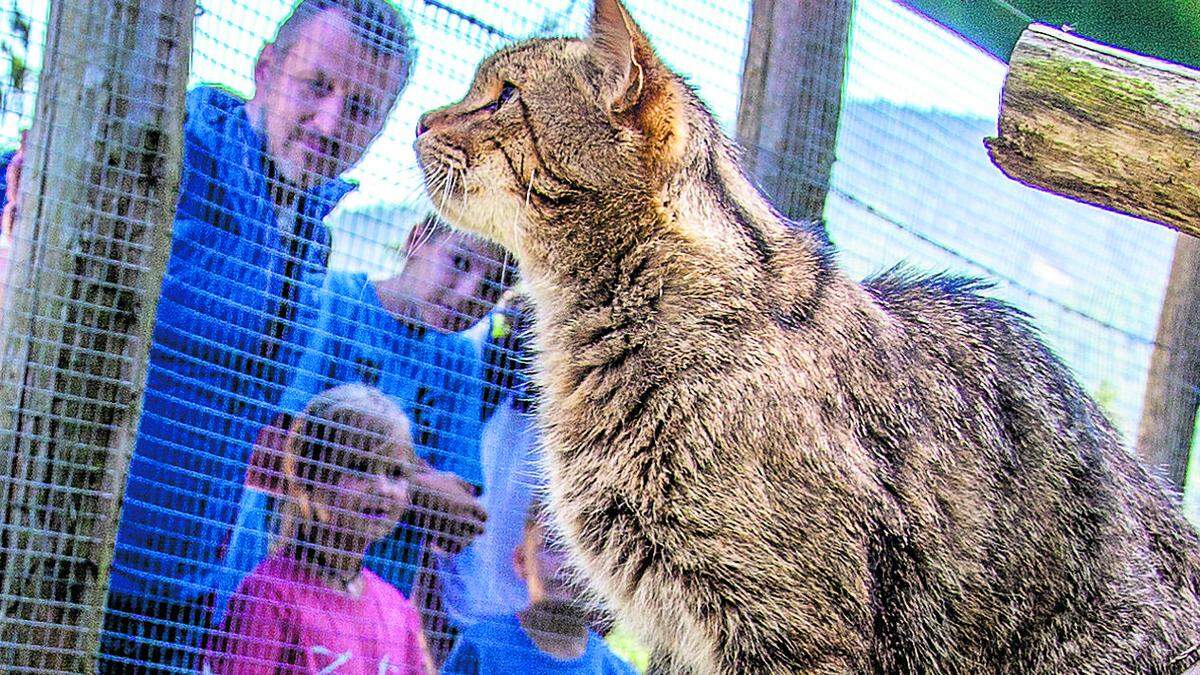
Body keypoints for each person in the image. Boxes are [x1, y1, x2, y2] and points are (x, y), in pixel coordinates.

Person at [99, 2, 415, 671]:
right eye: (317, 86)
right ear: (266, 66)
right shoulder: (168, 157)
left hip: (181, 590)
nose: (331, 123)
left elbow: (254, 426)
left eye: (360, 108)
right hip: (73, 548)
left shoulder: (311, 236)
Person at [211, 214, 515, 633]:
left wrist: (345, 463)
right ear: (417, 238)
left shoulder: (461, 358)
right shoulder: (333, 300)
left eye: (491, 287)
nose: (468, 296)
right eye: (460, 263)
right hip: (276, 587)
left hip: (373, 619)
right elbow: (270, 454)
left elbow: (459, 522)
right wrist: (416, 480)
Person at [204, 383, 433, 674]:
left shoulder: (398, 611)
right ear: (309, 477)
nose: (382, 489)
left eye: (396, 473)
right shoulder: (270, 596)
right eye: (360, 468)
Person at [440, 499, 637, 675]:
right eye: (552, 545)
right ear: (521, 560)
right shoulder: (483, 646)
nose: (566, 565)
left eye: (579, 550)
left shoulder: (615, 670)